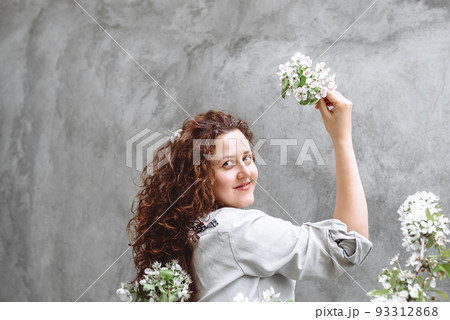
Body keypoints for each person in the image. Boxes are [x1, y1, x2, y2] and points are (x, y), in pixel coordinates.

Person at [127, 91, 372, 302]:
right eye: (227, 164)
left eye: (247, 158)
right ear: (200, 176)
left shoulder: (193, 231)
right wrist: (342, 139)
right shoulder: (237, 230)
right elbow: (348, 244)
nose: (245, 172)